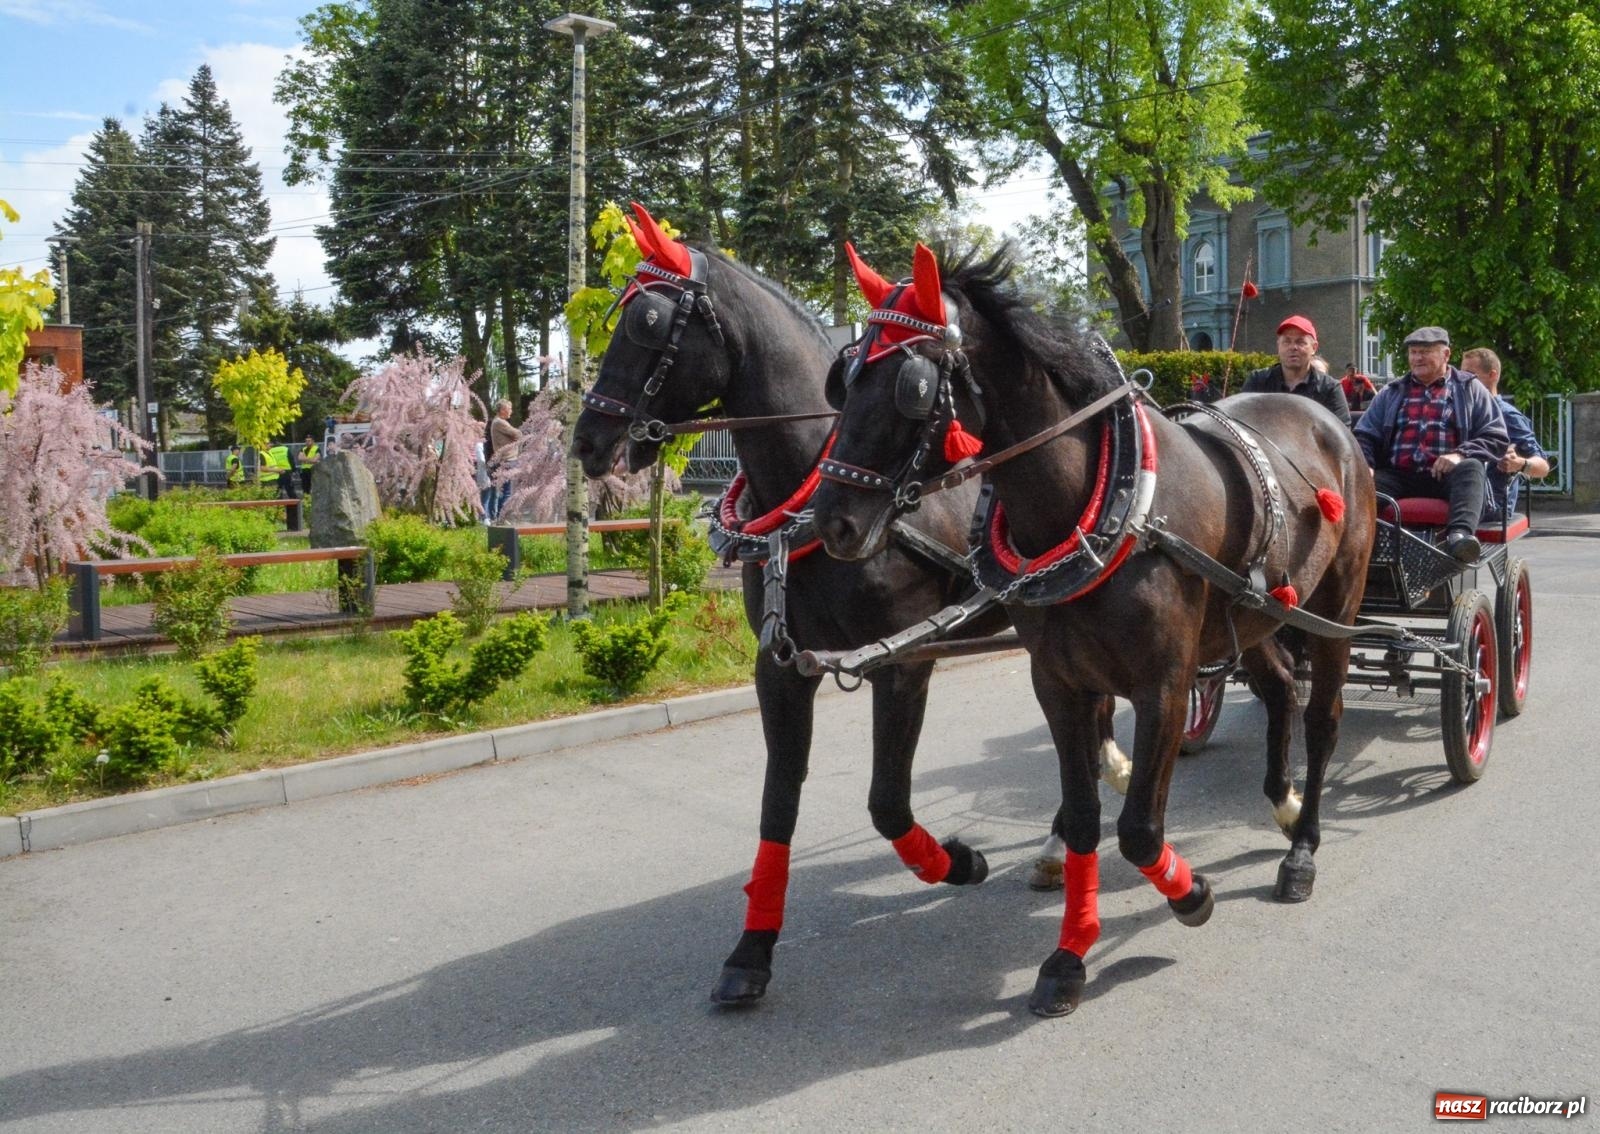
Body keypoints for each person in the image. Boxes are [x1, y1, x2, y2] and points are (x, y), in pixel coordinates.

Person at [1354, 326, 1510, 564]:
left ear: (1446, 355)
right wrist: (1366, 465)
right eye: (1413, 352)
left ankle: (1460, 537)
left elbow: (1495, 436)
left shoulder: (1469, 388)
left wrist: (1459, 454)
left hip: (1447, 478)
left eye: (1425, 352)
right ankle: (1357, 546)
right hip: (1399, 475)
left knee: (1472, 468)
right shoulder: (1392, 391)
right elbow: (1365, 434)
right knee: (1362, 485)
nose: (1417, 358)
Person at [1458, 347, 1549, 516]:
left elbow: (1543, 467)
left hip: (1492, 506)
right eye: (1462, 374)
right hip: (1463, 496)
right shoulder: (1462, 412)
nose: (1464, 380)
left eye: (1470, 374)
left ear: (1493, 375)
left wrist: (1520, 464)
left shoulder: (1507, 415)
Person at [1242, 315, 1352, 426]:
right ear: (1278, 347)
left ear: (1314, 348)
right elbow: (1239, 423)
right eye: (1286, 342)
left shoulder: (1329, 388)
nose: (1293, 347)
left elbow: (1341, 433)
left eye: (1300, 342)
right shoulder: (1258, 381)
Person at [489, 399, 519, 519]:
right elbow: (518, 434)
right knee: (506, 491)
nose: (511, 411)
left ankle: (501, 517)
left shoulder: (500, 422)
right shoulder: (500, 423)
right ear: (502, 410)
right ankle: (502, 517)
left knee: (505, 490)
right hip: (507, 460)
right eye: (509, 408)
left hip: (508, 460)